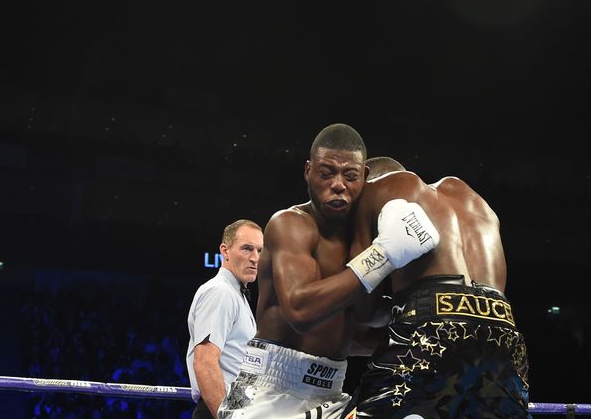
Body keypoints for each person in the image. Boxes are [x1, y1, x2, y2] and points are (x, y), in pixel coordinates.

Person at [217, 124, 440, 418]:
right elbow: (301, 311)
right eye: (327, 173)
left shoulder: (359, 244)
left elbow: (352, 333)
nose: (338, 184)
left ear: (364, 181)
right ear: (308, 171)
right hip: (270, 395)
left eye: (350, 176)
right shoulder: (290, 225)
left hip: (330, 394)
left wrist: (415, 321)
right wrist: (383, 255)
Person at [344, 158, 532, 418]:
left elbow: (366, 312)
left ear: (366, 178)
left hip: (431, 326)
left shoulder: (375, 191)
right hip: (503, 331)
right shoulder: (475, 200)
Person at [186, 219, 263, 419]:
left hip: (235, 408)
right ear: (225, 251)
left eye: (259, 251)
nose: (255, 258)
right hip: (218, 409)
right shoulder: (220, 292)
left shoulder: (237, 294)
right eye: (247, 249)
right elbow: (204, 363)